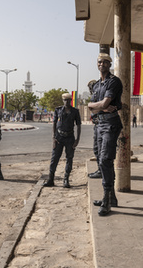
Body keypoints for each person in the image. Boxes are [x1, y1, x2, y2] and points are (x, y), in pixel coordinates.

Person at [88, 53, 123, 216]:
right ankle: (111, 198)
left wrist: (96, 106)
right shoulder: (96, 86)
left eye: (105, 62)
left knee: (105, 159)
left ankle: (107, 201)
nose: (102, 64)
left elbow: (104, 103)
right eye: (99, 62)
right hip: (99, 124)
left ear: (110, 65)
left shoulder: (113, 81)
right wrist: (94, 106)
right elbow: (95, 106)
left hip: (110, 123)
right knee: (102, 159)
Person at [43, 93, 81, 188]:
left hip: (70, 137)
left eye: (68, 100)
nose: (67, 102)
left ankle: (66, 179)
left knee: (69, 158)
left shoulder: (75, 111)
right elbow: (54, 124)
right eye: (65, 100)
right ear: (63, 101)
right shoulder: (58, 110)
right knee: (54, 158)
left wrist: (77, 139)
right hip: (59, 137)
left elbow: (79, 125)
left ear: (71, 101)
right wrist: (53, 137)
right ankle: (51, 179)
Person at [87, 79, 102, 179]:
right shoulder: (95, 95)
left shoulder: (99, 94)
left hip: (101, 124)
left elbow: (96, 108)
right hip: (97, 124)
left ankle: (102, 171)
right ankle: (100, 169)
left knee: (100, 150)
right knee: (97, 149)